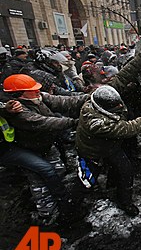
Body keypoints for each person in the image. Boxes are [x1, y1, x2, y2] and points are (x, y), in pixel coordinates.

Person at [1, 74, 88, 226]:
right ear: (19, 94)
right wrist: (75, 122)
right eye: (32, 90)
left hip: (45, 145)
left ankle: (59, 199)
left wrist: (90, 97)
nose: (37, 92)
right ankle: (47, 214)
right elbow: (44, 123)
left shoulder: (39, 98)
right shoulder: (18, 112)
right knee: (41, 177)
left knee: (58, 171)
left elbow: (64, 101)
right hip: (28, 149)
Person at [75, 85, 141, 217]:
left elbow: (121, 78)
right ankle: (70, 212)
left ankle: (124, 200)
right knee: (86, 181)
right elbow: (130, 128)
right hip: (92, 153)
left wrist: (138, 63)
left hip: (109, 147)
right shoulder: (98, 124)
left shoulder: (92, 102)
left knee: (125, 171)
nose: (121, 107)